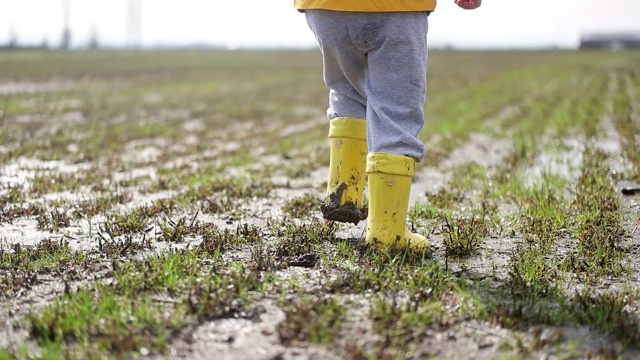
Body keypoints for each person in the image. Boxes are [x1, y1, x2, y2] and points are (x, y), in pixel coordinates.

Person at [295, 0, 482, 252]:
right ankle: (387, 231)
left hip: (324, 8)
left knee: (347, 90)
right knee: (396, 109)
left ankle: (343, 192)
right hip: (396, 7)